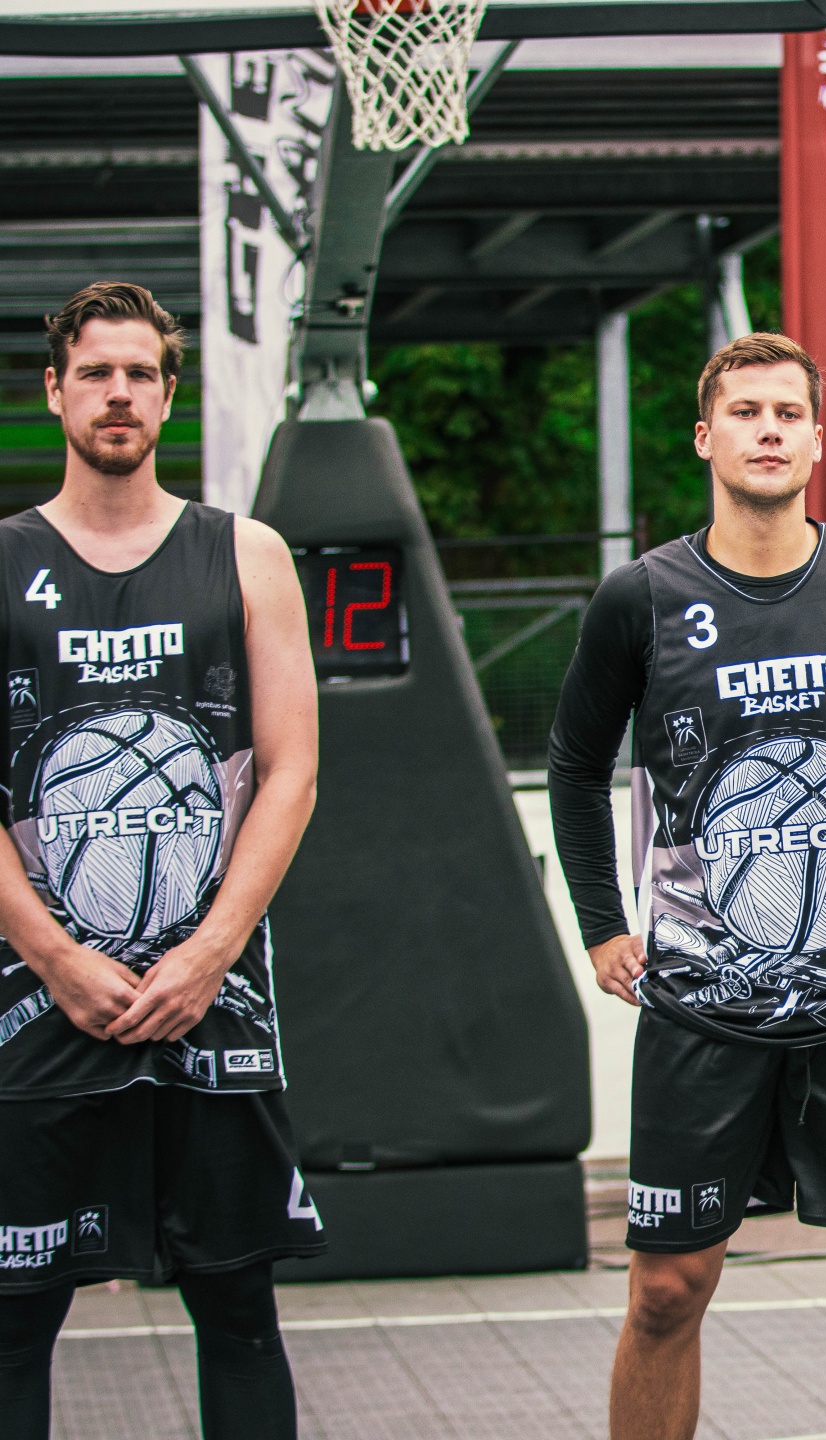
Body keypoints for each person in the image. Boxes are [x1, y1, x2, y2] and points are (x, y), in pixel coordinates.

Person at [549, 332, 826, 1440]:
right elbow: (574, 762)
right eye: (746, 413)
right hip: (704, 998)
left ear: (816, 440)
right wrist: (602, 923)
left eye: (787, 413)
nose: (767, 431)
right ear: (706, 437)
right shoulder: (641, 598)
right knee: (666, 1291)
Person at [0, 282, 322, 1437]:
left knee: (237, 1308)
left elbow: (291, 772)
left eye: (140, 373)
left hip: (211, 1000)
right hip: (36, 1005)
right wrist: (56, 959)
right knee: (13, 1319)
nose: (118, 393)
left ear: (169, 396)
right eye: (96, 372)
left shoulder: (246, 553)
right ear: (55, 391)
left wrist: (207, 953)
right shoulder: (3, 562)